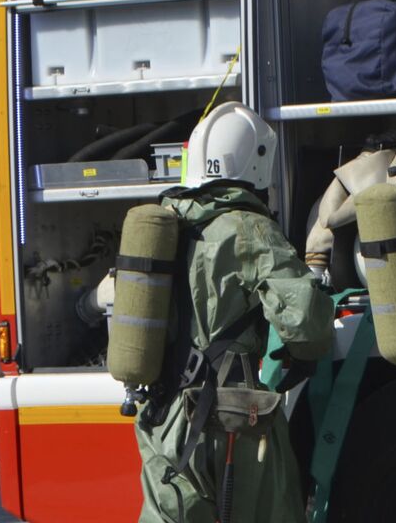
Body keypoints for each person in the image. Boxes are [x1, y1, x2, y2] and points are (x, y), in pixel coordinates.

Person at [135, 102, 333, 523]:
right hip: (233, 419)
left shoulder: (165, 224)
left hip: (163, 420)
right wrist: (299, 357)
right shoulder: (247, 227)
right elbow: (306, 321)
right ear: (256, 162)